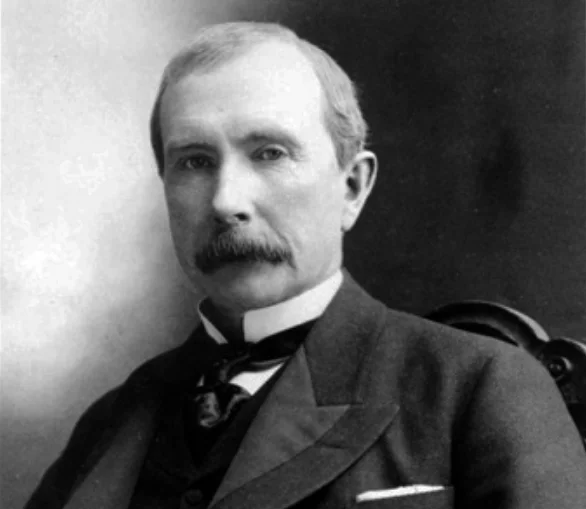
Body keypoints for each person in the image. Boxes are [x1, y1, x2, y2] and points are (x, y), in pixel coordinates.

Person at [26, 21, 586, 509]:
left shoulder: (478, 388)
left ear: (352, 188)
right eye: (194, 162)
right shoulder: (113, 419)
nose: (225, 201)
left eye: (269, 153)